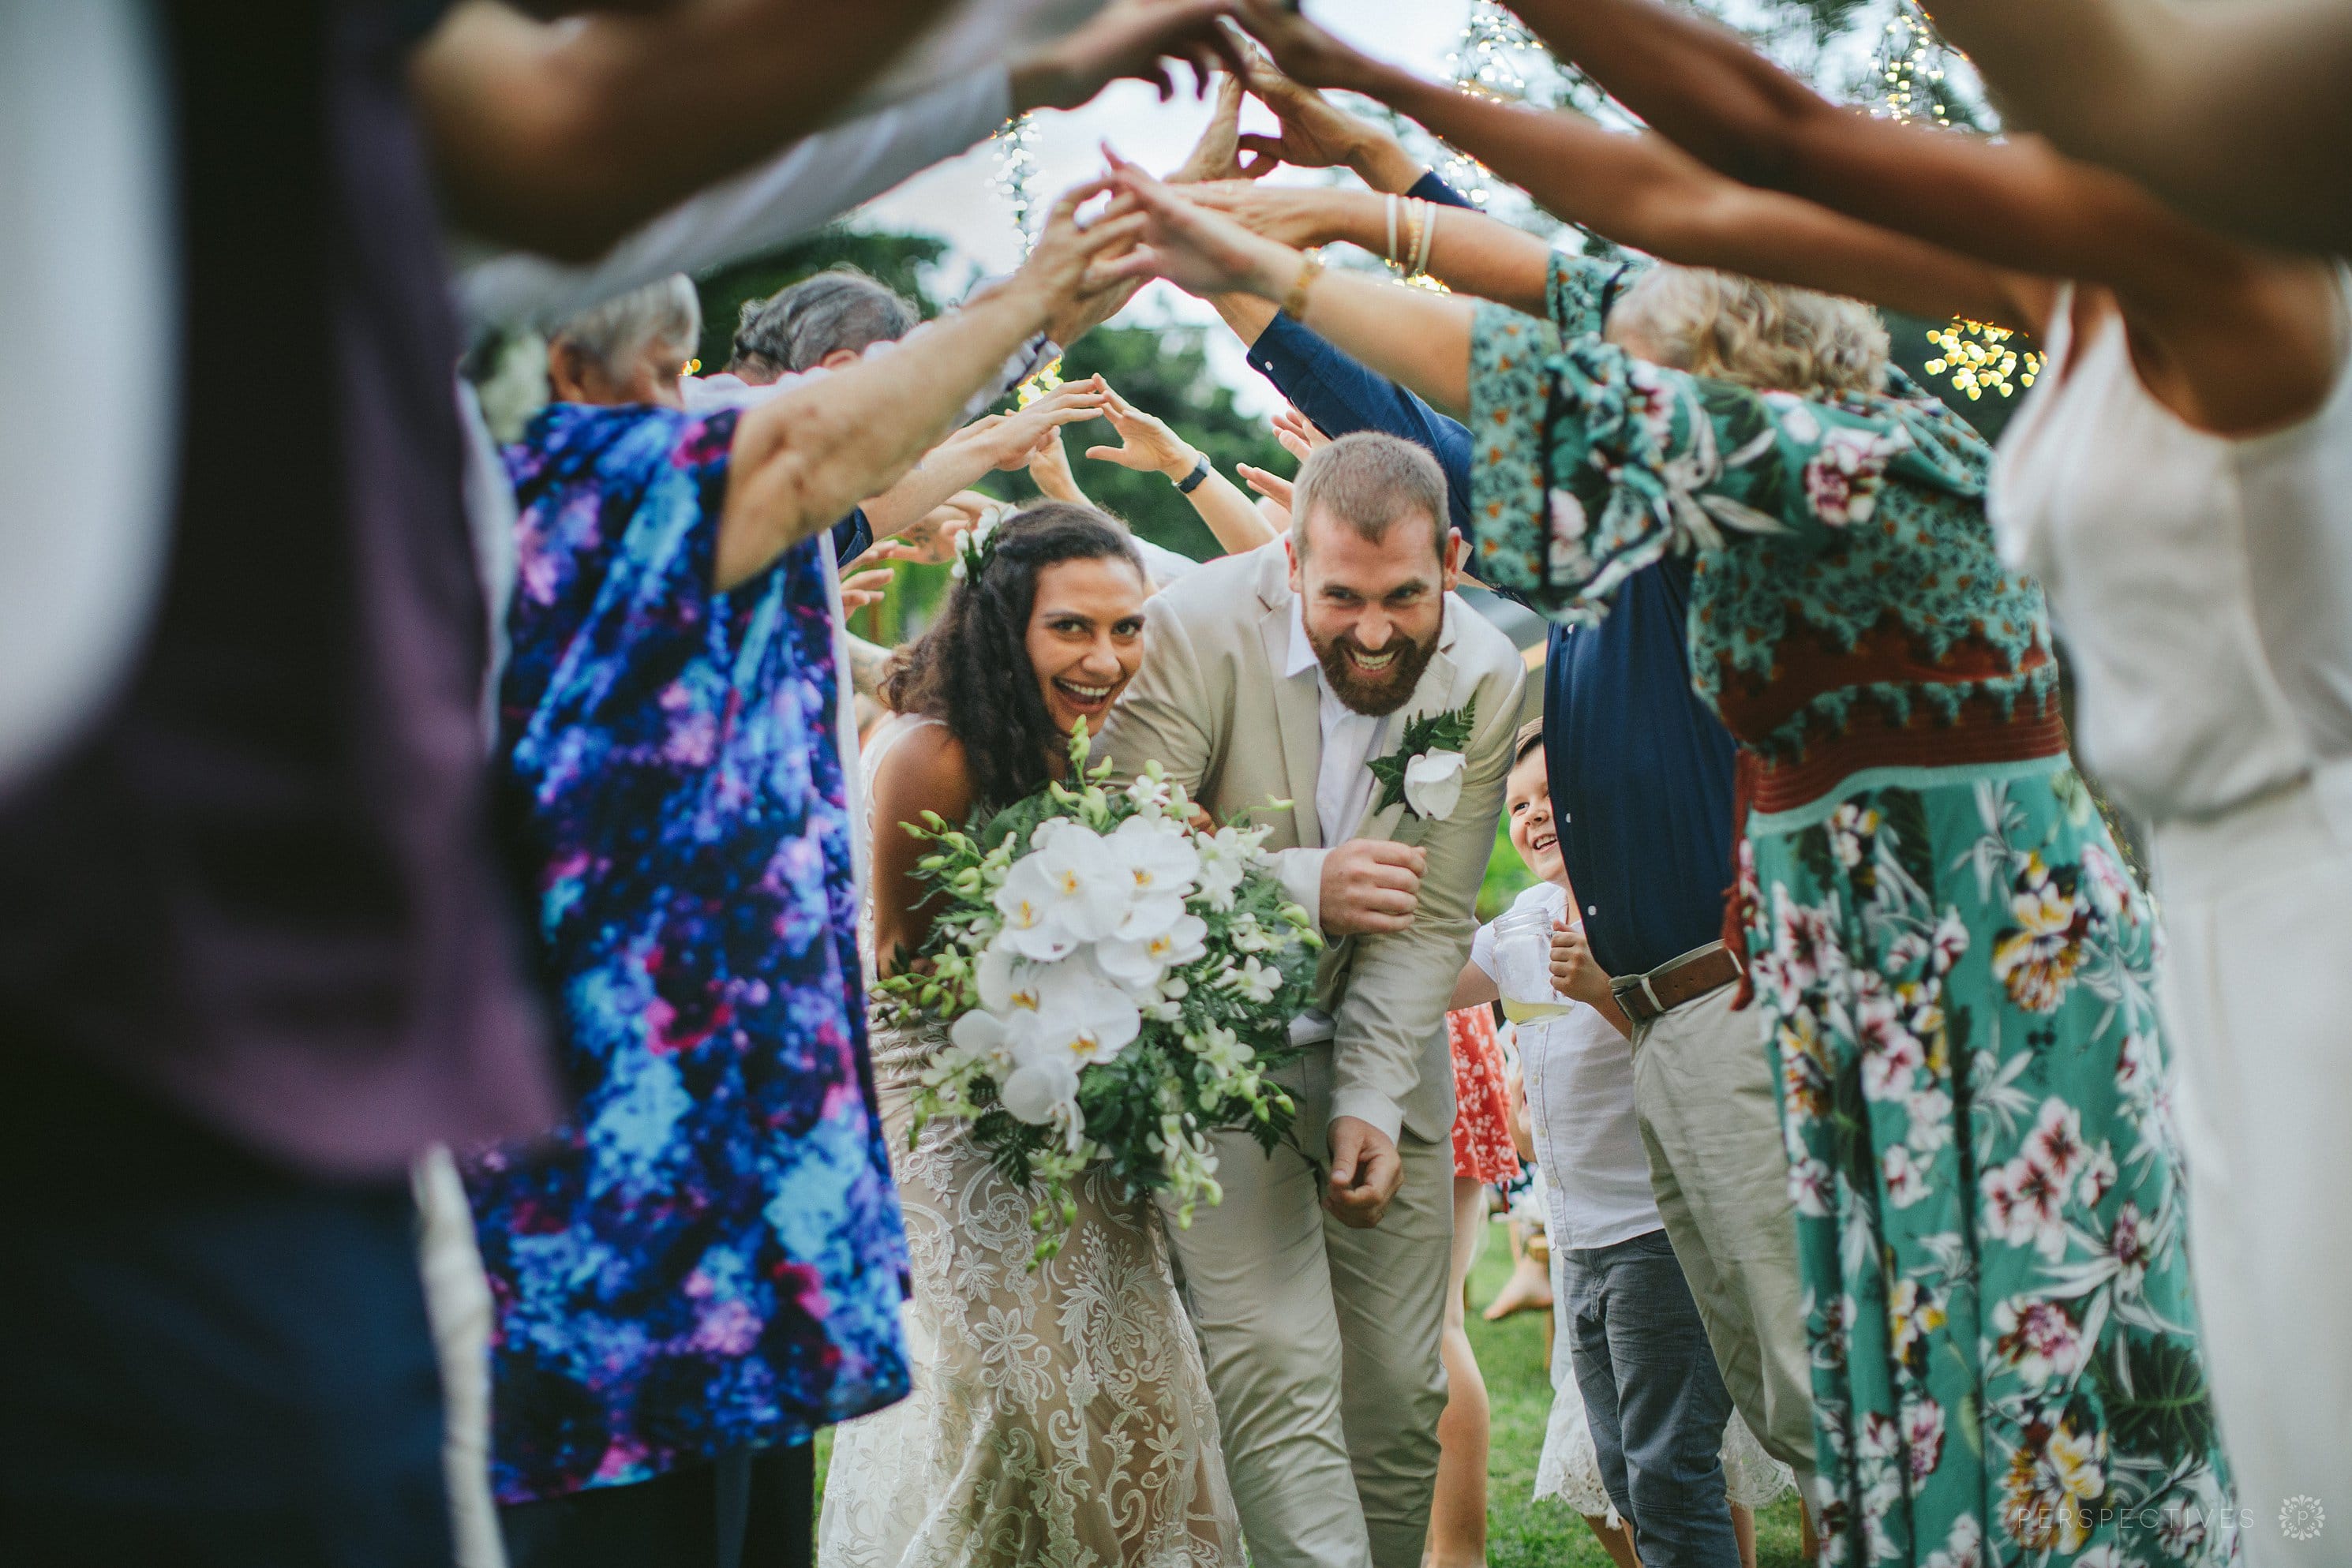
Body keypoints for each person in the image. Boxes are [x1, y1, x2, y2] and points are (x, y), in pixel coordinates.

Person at [1104, 154, 2237, 1566]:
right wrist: (1236, 264)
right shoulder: (1611, 556)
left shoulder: (1739, 521)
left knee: (1856, 1405)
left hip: (1768, 1008)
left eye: (1638, 385)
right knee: (1798, 1397)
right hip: (1676, 1026)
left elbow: (1539, 338)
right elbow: (1409, 421)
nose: (1595, 416)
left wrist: (1337, 219)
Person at [1432, 2, 2352, 1552]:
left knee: (2287, 1403)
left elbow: (1755, 155)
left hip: (2247, 904)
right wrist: (1369, 128)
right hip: (2128, 918)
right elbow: (1698, 190)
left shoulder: (2227, 278)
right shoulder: (2067, 288)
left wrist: (1340, 224)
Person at [465, 186, 1141, 1568]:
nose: (688, 405)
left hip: (728, 1130)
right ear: (571, 379)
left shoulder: (639, 511)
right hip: (632, 1132)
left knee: (734, 1488)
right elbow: (826, 447)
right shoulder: (592, 491)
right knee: (617, 1496)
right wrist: (1045, 294)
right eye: (667, 379)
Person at [1098, 432, 1526, 1568]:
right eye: (1341, 595)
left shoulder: (1483, 669)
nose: (1375, 631)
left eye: (1405, 596)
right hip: (1218, 1050)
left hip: (1387, 1051)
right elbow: (1112, 849)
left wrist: (1374, 1099)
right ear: (1291, 562)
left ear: (1455, 560)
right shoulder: (1193, 627)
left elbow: (1432, 917)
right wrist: (1299, 884)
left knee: (1398, 1387)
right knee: (1276, 1367)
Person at [819, 503, 1242, 1568]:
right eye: (1073, 628)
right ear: (1007, 624)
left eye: (1128, 627)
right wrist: (1095, 943)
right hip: (955, 1111)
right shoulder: (932, 751)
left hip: (1088, 1100)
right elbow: (908, 965)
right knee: (1006, 1398)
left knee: (1135, 1381)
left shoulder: (1091, 749)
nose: (1108, 657)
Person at [1456, 724, 1773, 1568]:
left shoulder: (1645, 905)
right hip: (1577, 1242)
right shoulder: (1524, 918)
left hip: (1654, 1234)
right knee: (1626, 1476)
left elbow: (1690, 1051)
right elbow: (1439, 978)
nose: (1532, 817)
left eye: (1550, 796)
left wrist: (1601, 989)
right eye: (1516, 805)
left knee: (1670, 1470)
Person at [1427, 1003, 1516, 1568]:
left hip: (1422, 1028)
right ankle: (1445, 1549)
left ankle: (1457, 1553)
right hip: (1451, 1025)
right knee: (1440, 1324)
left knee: (1435, 1327)